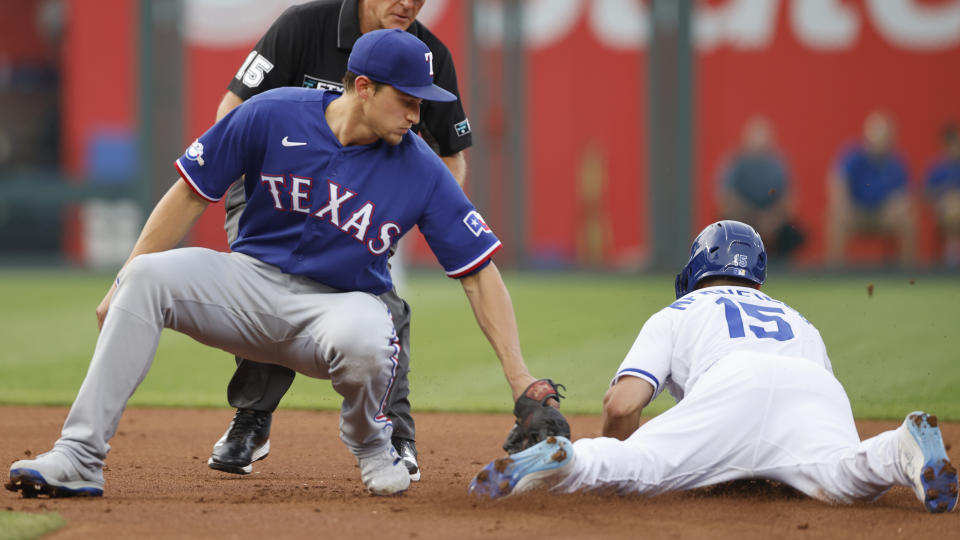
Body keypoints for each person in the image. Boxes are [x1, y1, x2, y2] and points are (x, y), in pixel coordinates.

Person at [6, 29, 558, 498]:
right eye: (409, 100)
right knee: (146, 277)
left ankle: (371, 440)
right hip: (248, 288)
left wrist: (519, 377)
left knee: (372, 333)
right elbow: (191, 192)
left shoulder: (420, 168)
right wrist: (121, 281)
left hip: (337, 310)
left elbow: (479, 274)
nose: (418, 116)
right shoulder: (272, 113)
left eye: (422, 104)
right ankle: (78, 457)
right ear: (362, 87)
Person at [469, 220, 959, 514]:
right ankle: (900, 448)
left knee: (635, 466)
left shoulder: (680, 311)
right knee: (844, 477)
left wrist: (616, 453)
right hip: (814, 390)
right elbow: (822, 390)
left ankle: (569, 459)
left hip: (731, 386)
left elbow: (622, 404)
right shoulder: (799, 319)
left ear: (696, 269)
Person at [211, 0, 473, 482]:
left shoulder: (427, 53)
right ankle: (253, 418)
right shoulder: (302, 27)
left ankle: (396, 433)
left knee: (383, 306)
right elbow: (233, 110)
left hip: (356, 205)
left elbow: (451, 156)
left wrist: (407, 218)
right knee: (268, 280)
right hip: (271, 192)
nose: (409, 4)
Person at [826, 111, 916, 268]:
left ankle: (908, 272)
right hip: (856, 213)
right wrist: (843, 205)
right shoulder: (853, 156)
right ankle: (835, 270)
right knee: (835, 218)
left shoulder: (897, 162)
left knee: (908, 221)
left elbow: (906, 195)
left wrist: (898, 206)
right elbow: (837, 181)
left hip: (884, 215)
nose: (880, 142)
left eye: (885, 138)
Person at [717, 115, 803, 260]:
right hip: (742, 219)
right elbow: (725, 199)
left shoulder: (778, 165)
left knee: (794, 234)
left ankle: (783, 269)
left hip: (773, 220)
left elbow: (789, 200)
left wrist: (772, 219)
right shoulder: (734, 163)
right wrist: (749, 220)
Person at [924, 123, 960, 268]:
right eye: (948, 144)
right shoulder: (937, 168)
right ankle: (952, 260)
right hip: (943, 213)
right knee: (951, 206)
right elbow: (927, 195)